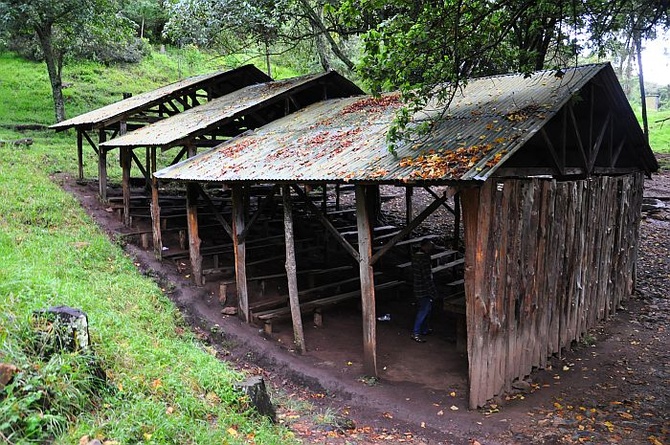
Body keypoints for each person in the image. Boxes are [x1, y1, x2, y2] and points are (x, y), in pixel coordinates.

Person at [410, 239, 438, 343]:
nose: (432, 248)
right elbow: (427, 278)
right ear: (424, 246)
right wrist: (433, 291)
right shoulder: (424, 259)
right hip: (424, 289)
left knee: (426, 309)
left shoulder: (415, 256)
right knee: (424, 310)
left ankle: (424, 329)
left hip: (417, 286)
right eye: (430, 246)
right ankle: (416, 332)